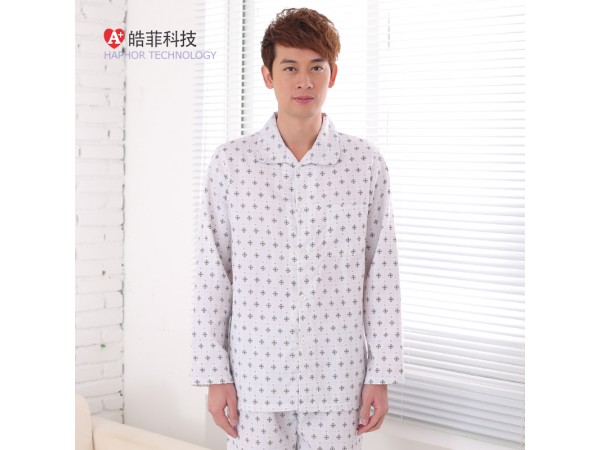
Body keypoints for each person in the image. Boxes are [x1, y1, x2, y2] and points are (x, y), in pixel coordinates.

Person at [191, 7, 404, 449]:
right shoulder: (232, 164)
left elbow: (381, 275)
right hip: (254, 379)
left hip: (338, 380)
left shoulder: (364, 164)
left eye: (316, 67)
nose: (304, 81)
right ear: (268, 76)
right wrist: (215, 374)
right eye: (290, 67)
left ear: (333, 74)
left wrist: (380, 374)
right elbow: (213, 276)